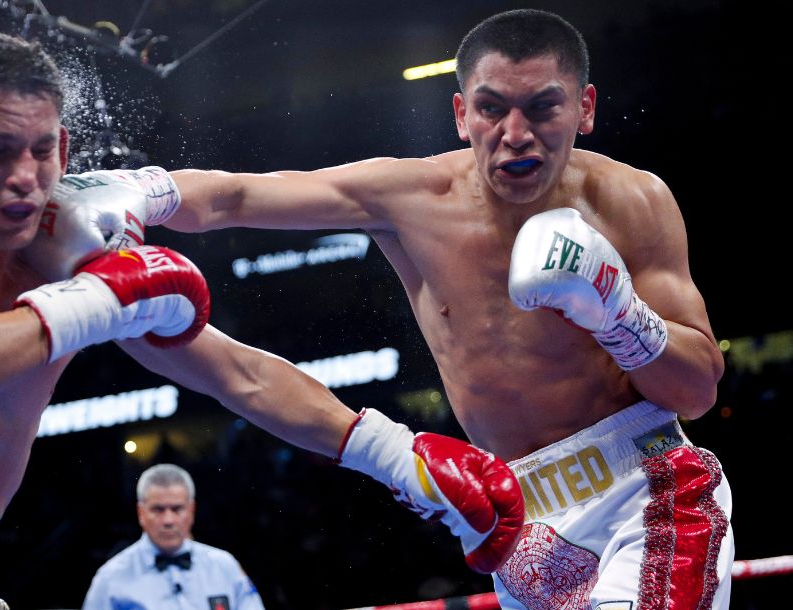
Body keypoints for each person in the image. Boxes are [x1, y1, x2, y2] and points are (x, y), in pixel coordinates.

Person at [0, 29, 523, 610]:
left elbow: (237, 373)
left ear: (65, 149)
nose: (25, 177)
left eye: (42, 151)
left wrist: (396, 456)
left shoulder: (64, 257)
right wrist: (104, 298)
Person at [77, 8, 734, 609]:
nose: (515, 134)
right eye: (492, 108)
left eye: (542, 108)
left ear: (584, 108)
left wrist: (617, 310)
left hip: (643, 494)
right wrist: (139, 190)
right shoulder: (412, 198)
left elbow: (697, 393)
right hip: (514, 522)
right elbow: (239, 196)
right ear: (461, 114)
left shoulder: (633, 201)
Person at [81, 464, 264, 610]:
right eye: (158, 509)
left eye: (177, 509)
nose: (168, 520)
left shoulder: (225, 566)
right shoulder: (110, 578)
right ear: (141, 513)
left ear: (192, 510)